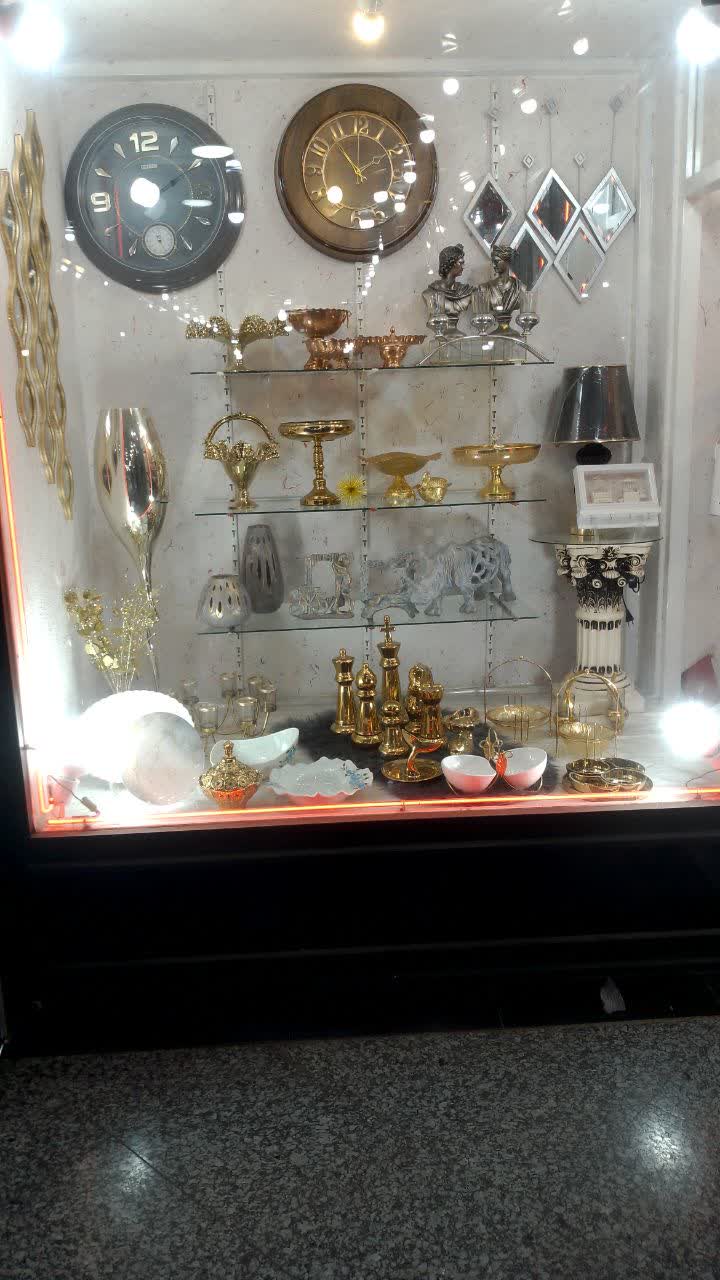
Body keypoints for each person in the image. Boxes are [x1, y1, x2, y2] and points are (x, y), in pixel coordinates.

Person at [422, 244, 474, 331]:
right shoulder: (429, 294)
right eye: (461, 263)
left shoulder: (466, 291)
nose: (463, 267)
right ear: (450, 264)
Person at [485, 244, 521, 330]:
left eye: (497, 261)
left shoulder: (520, 288)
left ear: (507, 261)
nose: (494, 265)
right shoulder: (485, 288)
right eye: (493, 262)